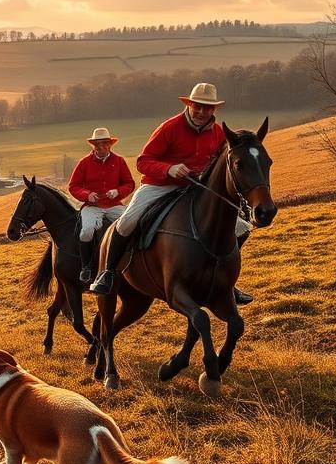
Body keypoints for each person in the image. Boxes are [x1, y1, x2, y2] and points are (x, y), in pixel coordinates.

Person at [89, 83, 254, 303]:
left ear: (214, 110)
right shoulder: (170, 127)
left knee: (242, 228)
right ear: (190, 105)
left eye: (208, 108)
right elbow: (142, 162)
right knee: (128, 220)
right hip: (159, 185)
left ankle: (225, 283)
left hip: (195, 190)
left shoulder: (218, 134)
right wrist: (169, 169)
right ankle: (107, 273)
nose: (202, 112)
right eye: (198, 106)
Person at [68, 127, 136, 283]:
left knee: (131, 225)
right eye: (97, 145)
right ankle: (86, 267)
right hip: (92, 207)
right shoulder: (84, 162)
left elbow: (130, 184)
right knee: (86, 231)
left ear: (110, 145)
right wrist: (87, 195)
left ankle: (130, 264)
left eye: (104, 144)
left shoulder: (119, 161)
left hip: (115, 205)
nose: (100, 148)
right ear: (93, 146)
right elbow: (73, 186)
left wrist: (117, 192)